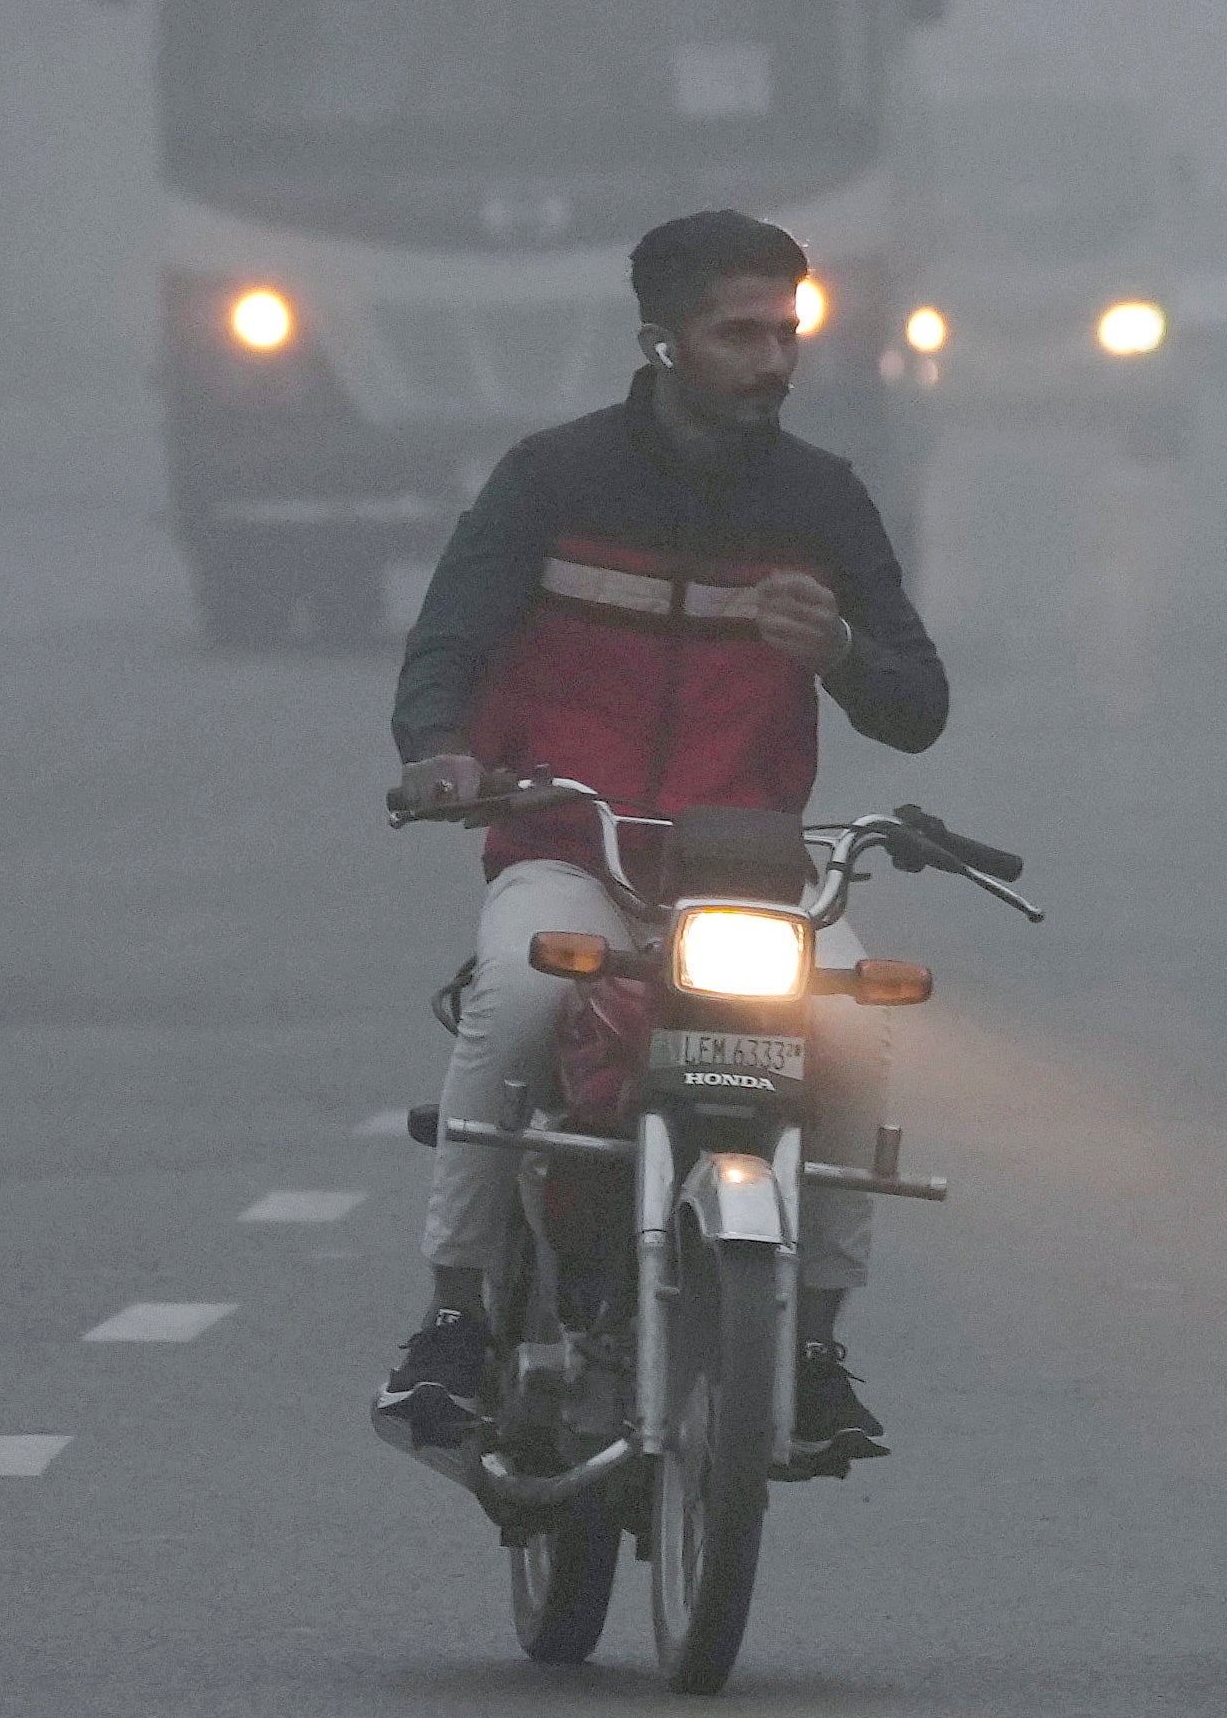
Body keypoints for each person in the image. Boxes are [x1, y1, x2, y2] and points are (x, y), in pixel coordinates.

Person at [377, 209, 949, 1465]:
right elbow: (449, 647)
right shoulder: (552, 481)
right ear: (661, 340)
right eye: (739, 333)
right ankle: (455, 1320)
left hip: (748, 876)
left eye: (785, 331)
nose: (773, 360)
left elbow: (919, 700)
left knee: (851, 1031)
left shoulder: (821, 501)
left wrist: (844, 653)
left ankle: (812, 1344)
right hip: (568, 856)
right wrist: (443, 753)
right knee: (522, 998)